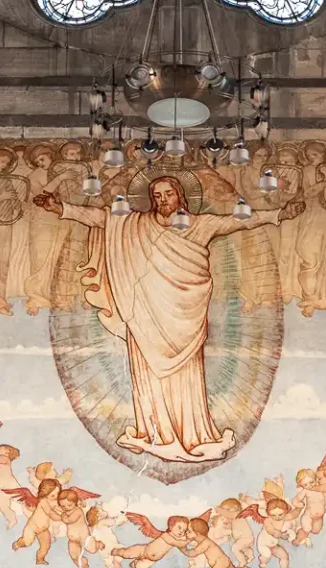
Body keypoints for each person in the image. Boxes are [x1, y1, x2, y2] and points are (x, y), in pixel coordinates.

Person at [33, 177, 302, 463]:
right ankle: (156, 434)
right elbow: (100, 218)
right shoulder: (133, 224)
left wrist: (279, 214)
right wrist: (61, 208)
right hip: (145, 316)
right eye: (157, 195)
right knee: (147, 375)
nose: (162, 200)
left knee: (187, 377)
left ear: (180, 196)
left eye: (168, 194)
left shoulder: (200, 224)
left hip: (184, 319)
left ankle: (194, 435)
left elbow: (239, 221)